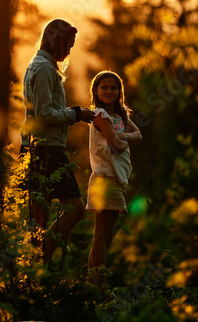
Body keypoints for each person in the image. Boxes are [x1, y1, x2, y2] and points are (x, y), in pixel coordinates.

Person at [20, 19, 95, 263]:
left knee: (40, 214)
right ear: (57, 41)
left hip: (38, 147)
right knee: (74, 206)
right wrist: (76, 115)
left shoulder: (40, 65)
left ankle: (34, 272)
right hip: (47, 149)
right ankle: (41, 255)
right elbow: (44, 114)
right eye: (68, 45)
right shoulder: (43, 69)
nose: (69, 51)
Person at [86, 70, 142, 286]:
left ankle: (93, 284)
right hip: (104, 179)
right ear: (96, 91)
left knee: (105, 236)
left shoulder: (120, 116)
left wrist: (121, 135)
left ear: (120, 91)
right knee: (100, 235)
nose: (109, 91)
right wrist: (122, 138)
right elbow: (116, 145)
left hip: (116, 180)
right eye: (104, 87)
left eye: (113, 87)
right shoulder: (100, 115)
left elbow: (138, 136)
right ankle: (98, 286)